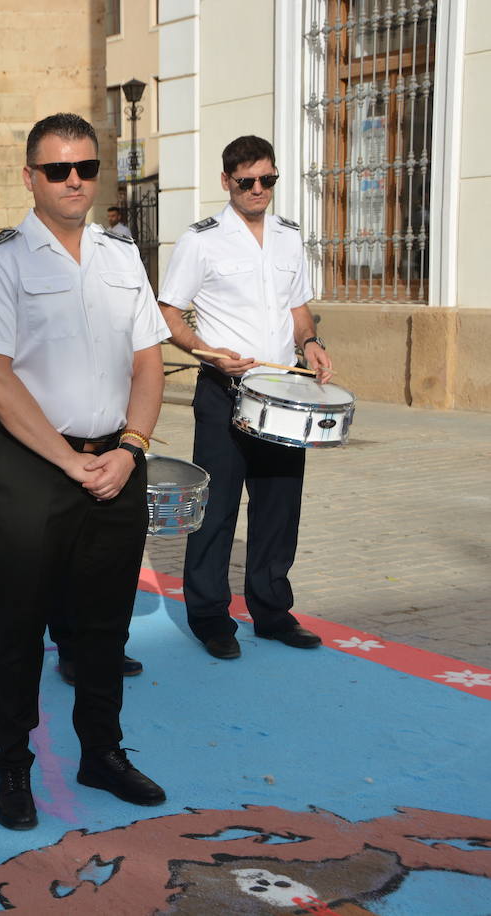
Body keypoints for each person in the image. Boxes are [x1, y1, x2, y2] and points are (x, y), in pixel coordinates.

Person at [0, 113, 171, 830]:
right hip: (37, 467)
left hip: (116, 459)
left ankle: (101, 753)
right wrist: (70, 461)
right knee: (19, 624)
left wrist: (133, 446)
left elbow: (148, 361)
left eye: (86, 167)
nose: (75, 180)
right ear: (31, 177)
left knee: (107, 625)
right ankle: (12, 767)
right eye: (58, 170)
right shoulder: (1, 260)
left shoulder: (121, 253)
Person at [157, 134, 334, 660]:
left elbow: (298, 307)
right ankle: (211, 617)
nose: (259, 190)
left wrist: (312, 342)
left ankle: (272, 611)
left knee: (280, 507)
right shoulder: (201, 240)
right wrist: (206, 350)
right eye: (247, 181)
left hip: (284, 392)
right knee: (215, 511)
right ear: (226, 182)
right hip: (224, 391)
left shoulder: (288, 236)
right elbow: (167, 313)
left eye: (268, 180)